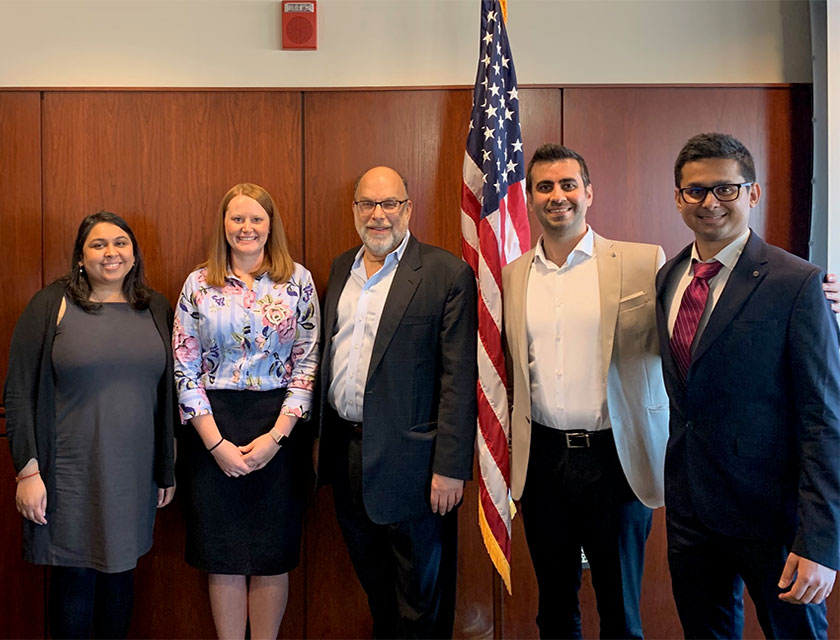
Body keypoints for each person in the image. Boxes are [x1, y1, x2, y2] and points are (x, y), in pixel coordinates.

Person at [656, 132, 840, 638]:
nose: (710, 202)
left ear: (752, 194)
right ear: (677, 198)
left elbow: (823, 420)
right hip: (691, 512)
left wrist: (820, 542)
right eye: (695, 191)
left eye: (726, 189)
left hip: (775, 521)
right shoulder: (669, 277)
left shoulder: (797, 283)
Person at [501, 144, 667, 639]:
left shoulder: (642, 262)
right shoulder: (513, 276)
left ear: (589, 193)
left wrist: (821, 294)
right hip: (543, 462)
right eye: (545, 187)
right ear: (530, 199)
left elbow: (691, 325)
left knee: (620, 612)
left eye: (568, 185)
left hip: (616, 461)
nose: (558, 197)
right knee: (554, 607)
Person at [314, 166, 478, 639]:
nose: (378, 215)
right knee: (376, 591)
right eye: (367, 204)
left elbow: (458, 379)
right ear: (354, 211)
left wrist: (450, 467)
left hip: (417, 468)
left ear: (408, 209)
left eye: (389, 204)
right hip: (348, 456)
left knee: (420, 603)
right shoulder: (340, 267)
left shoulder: (446, 273)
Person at [4, 211, 176, 638]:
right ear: (80, 257)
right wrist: (27, 470)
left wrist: (166, 468)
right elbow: (19, 392)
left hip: (133, 477)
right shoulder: (51, 304)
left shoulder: (154, 306)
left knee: (121, 578)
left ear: (134, 254)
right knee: (74, 582)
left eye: (120, 243)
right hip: (68, 476)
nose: (111, 252)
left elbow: (168, 396)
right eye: (98, 244)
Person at [174, 183, 319, 640]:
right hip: (211, 428)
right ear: (223, 225)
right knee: (224, 555)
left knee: (272, 553)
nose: (246, 227)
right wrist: (215, 443)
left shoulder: (299, 280)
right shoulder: (198, 283)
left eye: (256, 218)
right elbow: (185, 363)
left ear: (270, 224)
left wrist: (277, 436)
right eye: (237, 218)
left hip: (279, 426)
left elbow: (308, 359)